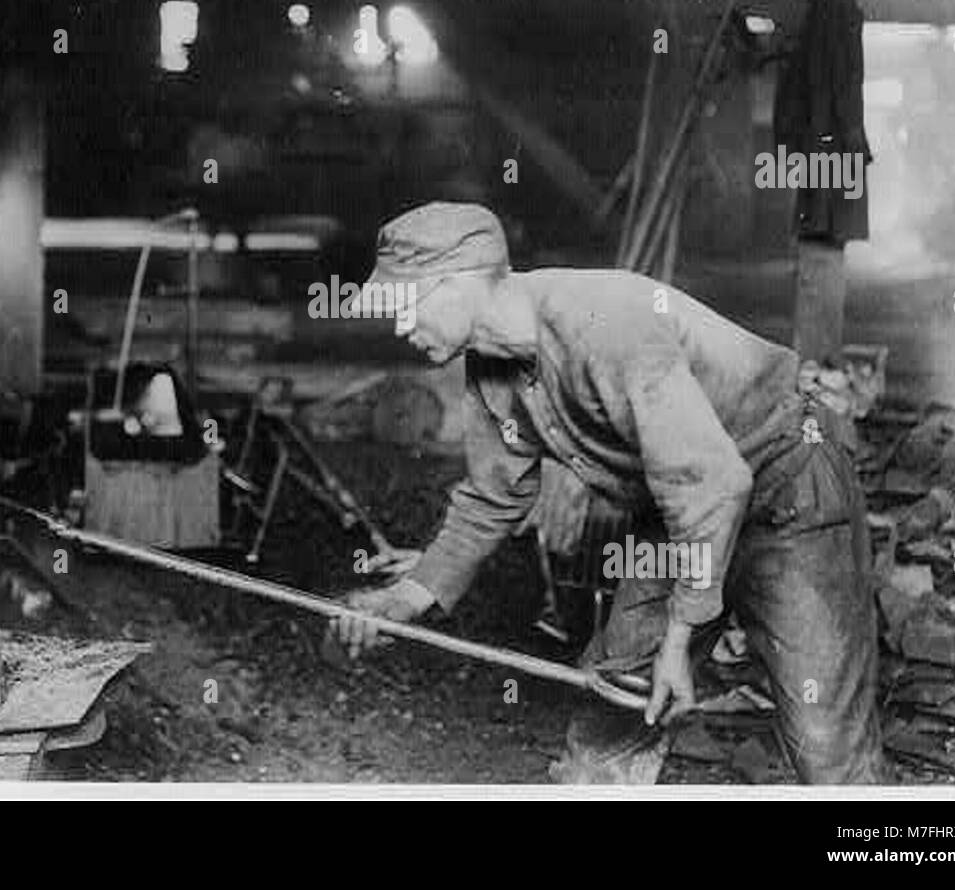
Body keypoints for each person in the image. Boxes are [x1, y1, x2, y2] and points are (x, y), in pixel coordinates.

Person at [330, 202, 886, 784]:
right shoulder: (490, 370)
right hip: (678, 514)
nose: (398, 327)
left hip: (786, 488)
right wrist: (403, 600)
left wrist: (680, 636)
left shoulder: (602, 323)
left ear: (459, 282)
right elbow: (494, 498)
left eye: (406, 304)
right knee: (615, 712)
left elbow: (716, 483)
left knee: (827, 745)